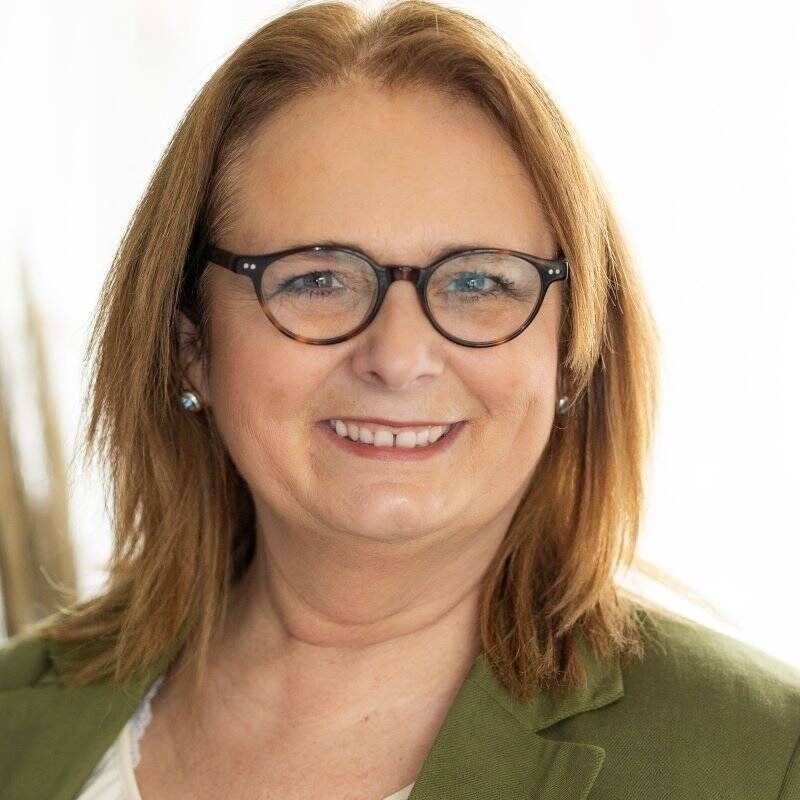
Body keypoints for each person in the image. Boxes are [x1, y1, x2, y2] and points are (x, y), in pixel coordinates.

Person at [1, 2, 799, 799]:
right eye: (317, 279)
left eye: (478, 281)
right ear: (191, 344)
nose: (398, 358)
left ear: (570, 349)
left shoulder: (762, 761)